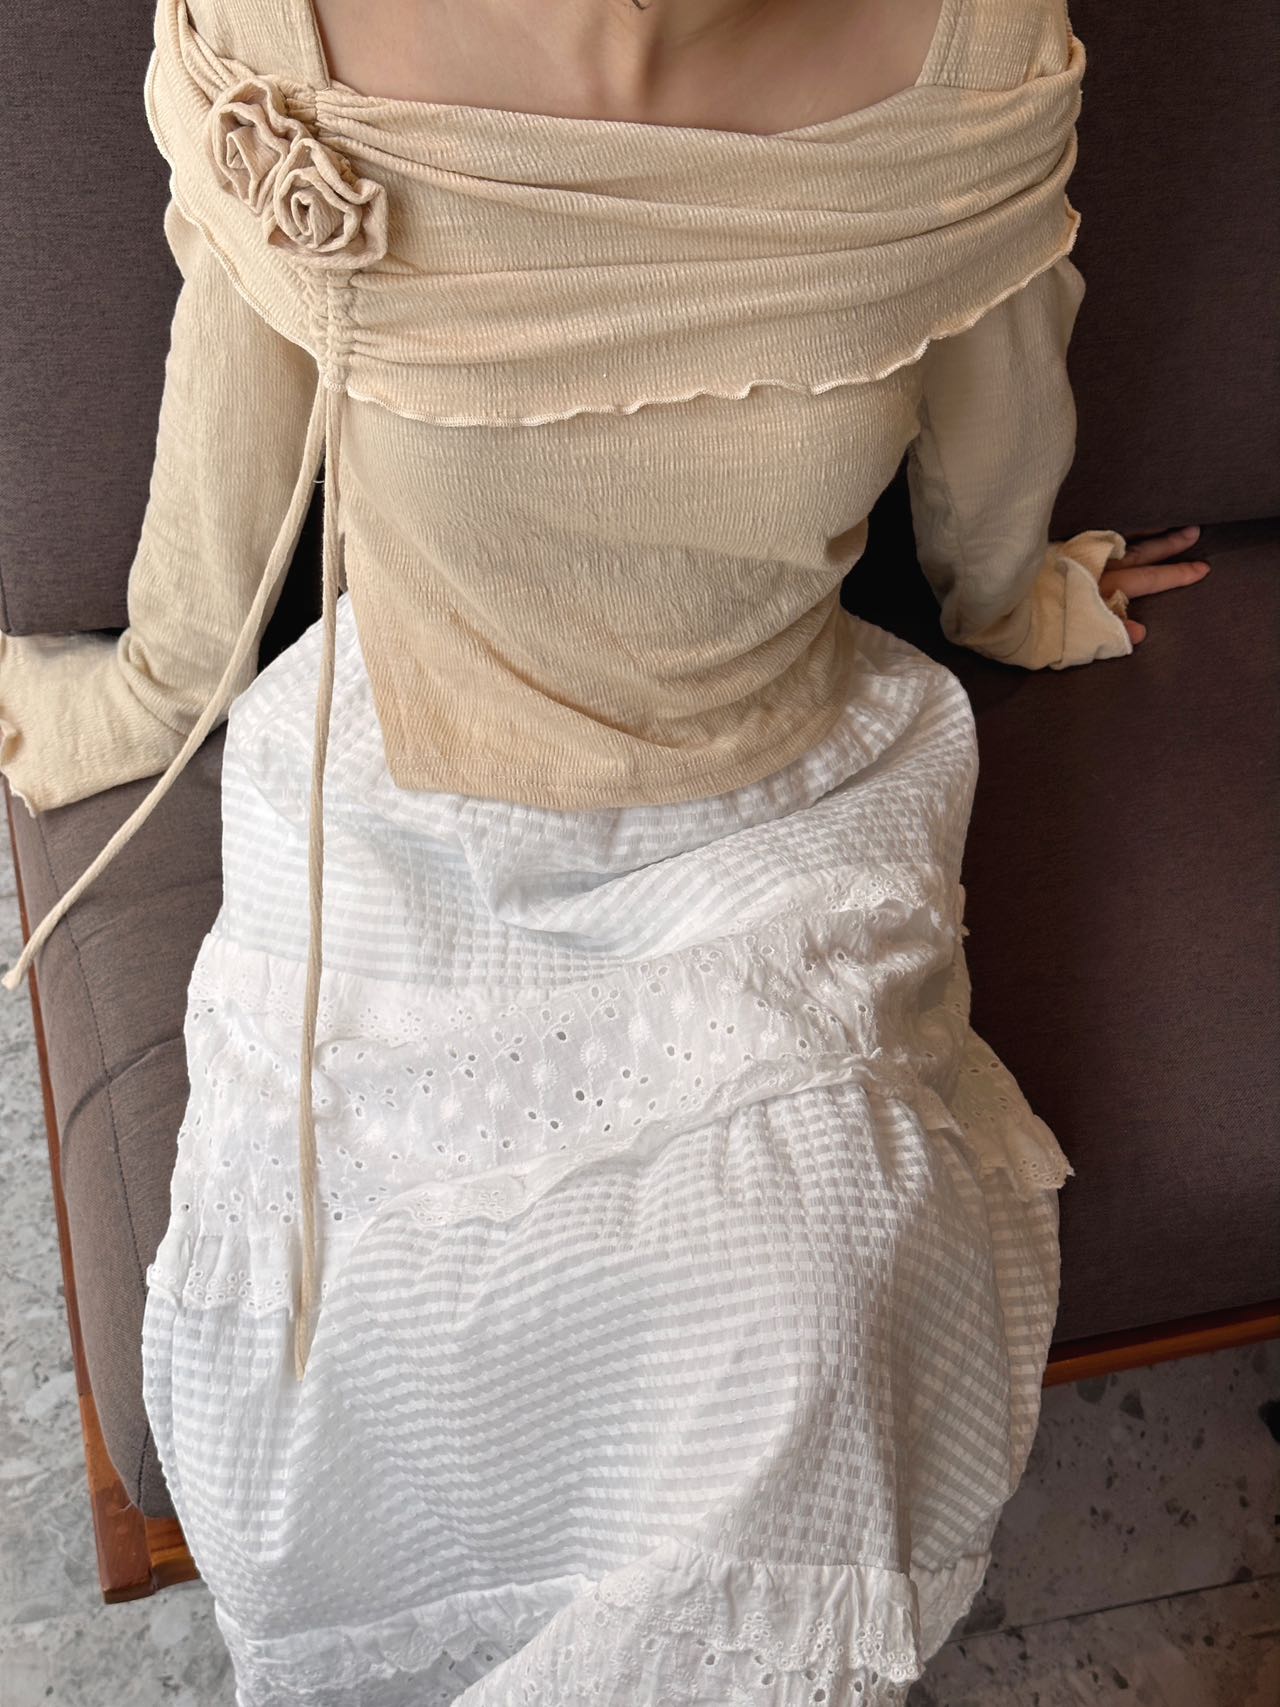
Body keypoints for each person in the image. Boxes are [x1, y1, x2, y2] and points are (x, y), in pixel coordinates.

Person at [0, 0, 1211, 1700]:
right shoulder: (293, 38)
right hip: (407, 791)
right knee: (338, 1337)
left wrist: (1028, 605)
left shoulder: (973, 50)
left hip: (770, 796)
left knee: (817, 1279)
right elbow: (227, 463)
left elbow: (993, 454)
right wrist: (133, 702)